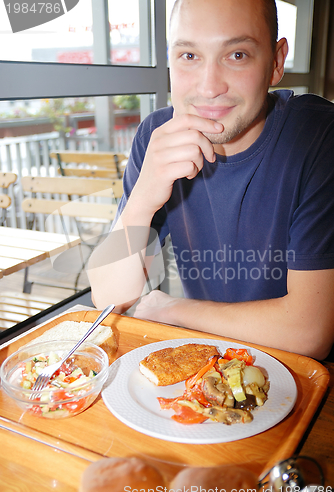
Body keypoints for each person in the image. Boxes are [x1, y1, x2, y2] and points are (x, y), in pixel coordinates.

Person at [87, 0, 334, 360]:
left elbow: (308, 333)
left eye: (237, 55)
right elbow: (110, 296)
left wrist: (171, 310)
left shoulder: (319, 136)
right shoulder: (157, 135)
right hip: (211, 366)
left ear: (276, 61)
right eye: (189, 56)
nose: (209, 87)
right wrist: (143, 198)